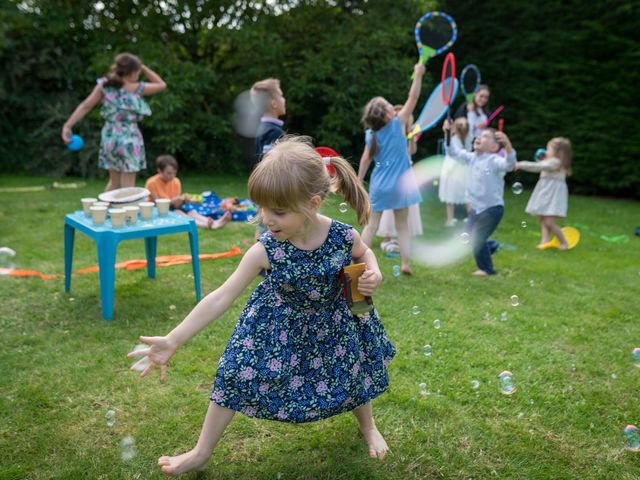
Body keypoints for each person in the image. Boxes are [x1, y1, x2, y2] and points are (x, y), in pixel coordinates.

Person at [129, 138, 395, 475]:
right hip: (277, 326)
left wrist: (374, 272)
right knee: (233, 372)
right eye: (262, 208)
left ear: (312, 204)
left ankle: (368, 426)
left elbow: (363, 255)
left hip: (335, 322)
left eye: (278, 211)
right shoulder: (266, 249)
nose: (267, 219)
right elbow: (222, 296)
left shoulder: (342, 236)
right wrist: (174, 339)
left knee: (353, 372)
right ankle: (201, 451)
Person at [61, 53, 166, 191]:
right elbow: (161, 84)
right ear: (133, 71)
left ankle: (102, 212)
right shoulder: (137, 88)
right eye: (138, 71)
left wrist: (67, 125)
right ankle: (124, 213)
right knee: (128, 186)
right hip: (130, 137)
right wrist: (144, 67)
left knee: (114, 182)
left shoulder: (105, 86)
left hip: (110, 136)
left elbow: (85, 106)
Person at [358, 63, 425, 275]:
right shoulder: (398, 123)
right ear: (388, 114)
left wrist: (359, 181)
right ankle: (405, 264)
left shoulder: (372, 134)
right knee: (402, 226)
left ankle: (356, 262)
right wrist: (419, 75)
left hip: (380, 184)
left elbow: (365, 160)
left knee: (371, 226)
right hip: (402, 185)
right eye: (389, 105)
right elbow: (412, 98)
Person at [444, 123, 517, 276]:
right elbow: (452, 152)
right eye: (479, 135)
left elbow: (510, 165)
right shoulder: (471, 158)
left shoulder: (494, 160)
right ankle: (492, 245)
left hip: (492, 208)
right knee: (468, 238)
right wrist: (448, 134)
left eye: (485, 136)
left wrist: (508, 145)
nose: (479, 137)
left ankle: (487, 269)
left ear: (494, 147)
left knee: (477, 238)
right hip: (477, 208)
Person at [377, 105, 423, 252]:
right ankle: (387, 238)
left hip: (407, 175)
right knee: (392, 207)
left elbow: (412, 151)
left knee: (406, 207)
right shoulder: (391, 134)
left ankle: (399, 240)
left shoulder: (408, 133)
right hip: (394, 174)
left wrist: (411, 138)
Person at [145, 155, 230, 229]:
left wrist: (185, 200)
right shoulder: (151, 183)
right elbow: (156, 204)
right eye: (169, 173)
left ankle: (214, 222)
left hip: (173, 207)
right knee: (179, 213)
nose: (172, 176)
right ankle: (207, 225)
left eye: (174, 173)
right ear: (159, 171)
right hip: (158, 211)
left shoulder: (176, 181)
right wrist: (173, 201)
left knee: (191, 212)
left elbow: (177, 204)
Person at [515, 137, 572, 249]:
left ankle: (564, 242)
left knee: (549, 222)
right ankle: (544, 241)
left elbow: (538, 167)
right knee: (543, 218)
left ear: (558, 152)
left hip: (552, 196)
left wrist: (521, 164)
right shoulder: (551, 161)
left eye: (549, 148)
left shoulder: (555, 162)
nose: (546, 151)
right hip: (546, 192)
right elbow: (541, 164)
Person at [439, 117, 470, 226]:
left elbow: (450, 149)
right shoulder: (465, 139)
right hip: (459, 169)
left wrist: (447, 131)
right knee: (465, 194)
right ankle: (470, 218)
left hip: (453, 168)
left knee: (451, 194)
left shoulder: (455, 138)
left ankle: (450, 219)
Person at [251, 78, 286, 164]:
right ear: (274, 103)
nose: (284, 99)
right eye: (281, 96)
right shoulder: (274, 132)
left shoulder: (263, 128)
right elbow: (271, 166)